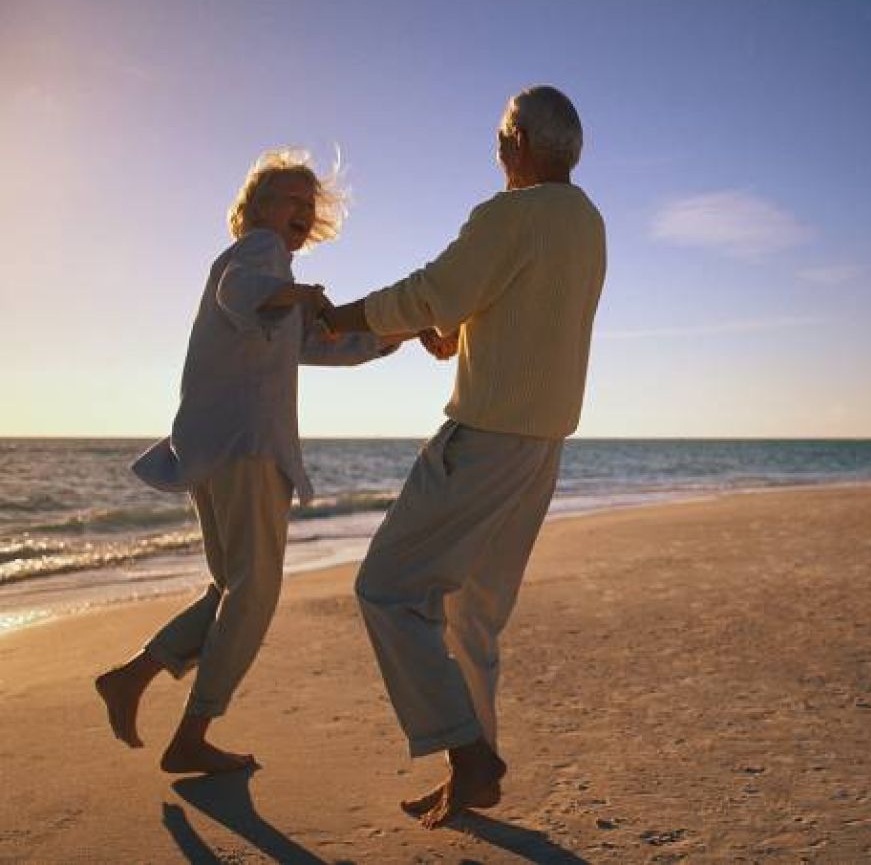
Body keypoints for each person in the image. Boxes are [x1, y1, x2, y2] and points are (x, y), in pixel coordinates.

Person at [321, 85, 607, 828]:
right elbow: (522, 312)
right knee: (472, 616)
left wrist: (332, 315)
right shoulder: (587, 223)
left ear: (516, 143)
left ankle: (468, 752)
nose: (497, 151)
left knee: (387, 588)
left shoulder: (508, 212)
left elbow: (429, 291)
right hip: (541, 449)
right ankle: (473, 772)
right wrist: (456, 332)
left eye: (500, 138)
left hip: (483, 442)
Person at [94, 149, 408, 774]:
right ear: (259, 207)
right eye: (293, 197)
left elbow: (320, 348)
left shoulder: (268, 278)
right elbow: (244, 296)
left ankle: (134, 675)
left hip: (209, 449)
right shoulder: (256, 254)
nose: (304, 210)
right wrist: (300, 294)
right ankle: (191, 735)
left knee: (230, 587)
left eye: (309, 204)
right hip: (245, 447)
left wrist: (387, 338)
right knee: (256, 591)